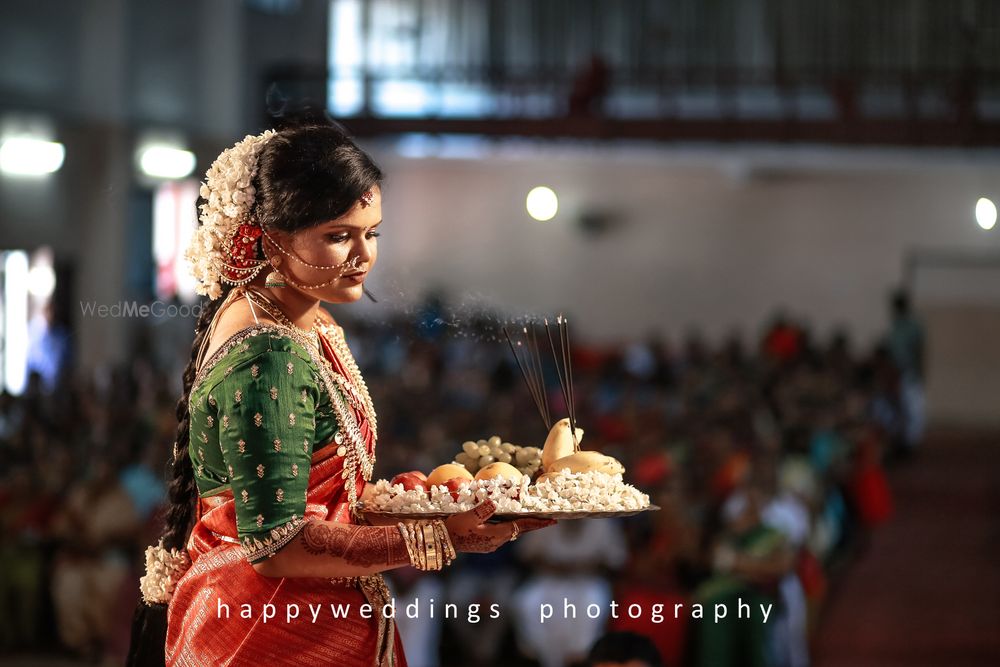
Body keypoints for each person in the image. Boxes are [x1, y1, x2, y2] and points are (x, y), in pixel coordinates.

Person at [126, 119, 554, 666]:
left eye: (371, 233)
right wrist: (434, 537)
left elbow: (323, 496)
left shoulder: (307, 322)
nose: (362, 256)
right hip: (268, 632)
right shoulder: (269, 354)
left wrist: (419, 505)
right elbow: (276, 547)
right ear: (272, 239)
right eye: (337, 236)